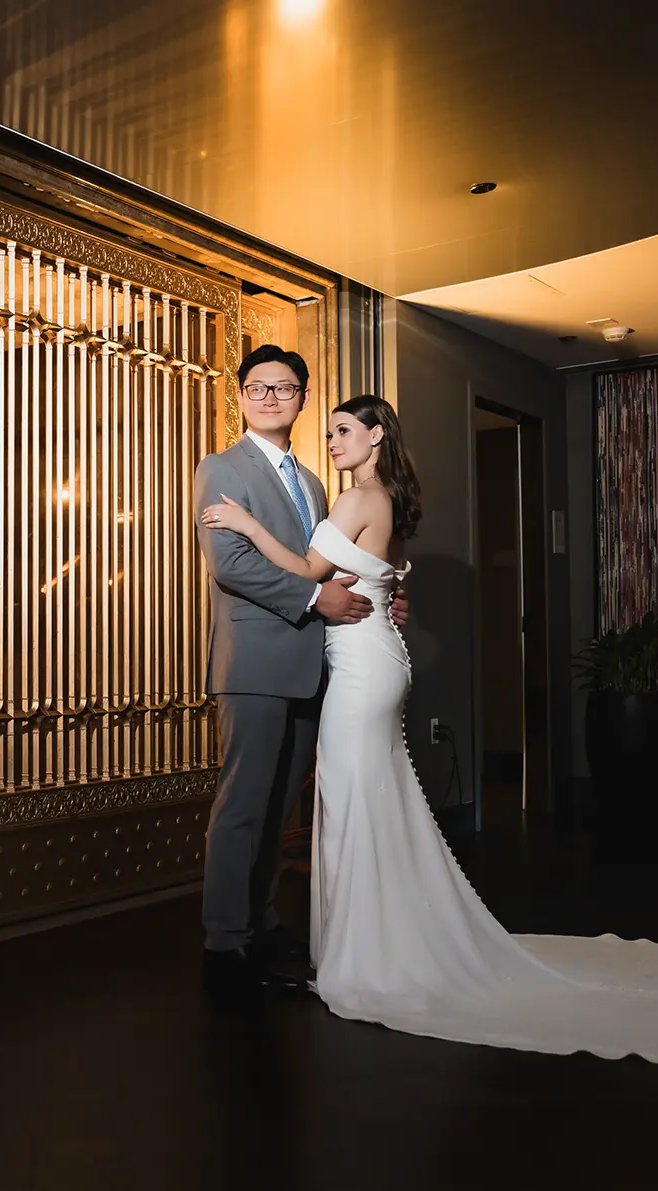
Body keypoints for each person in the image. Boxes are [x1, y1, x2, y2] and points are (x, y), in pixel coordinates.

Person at [199, 393, 658, 1062]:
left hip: (360, 671)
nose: (335, 441)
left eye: (345, 430)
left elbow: (311, 574)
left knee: (352, 804)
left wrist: (248, 527)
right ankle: (380, 942)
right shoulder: (386, 502)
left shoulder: (351, 498)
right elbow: (374, 581)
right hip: (377, 659)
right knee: (373, 799)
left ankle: (367, 956)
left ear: (376, 436)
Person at [191, 345, 405, 1001]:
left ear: (302, 399)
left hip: (314, 662)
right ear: (242, 396)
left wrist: (383, 587)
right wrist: (318, 599)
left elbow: (328, 562)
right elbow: (233, 566)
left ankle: (263, 919)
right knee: (243, 807)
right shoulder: (220, 467)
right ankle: (225, 941)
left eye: (284, 388)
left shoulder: (315, 483)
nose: (270, 397)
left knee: (281, 807)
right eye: (258, 387)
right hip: (254, 662)